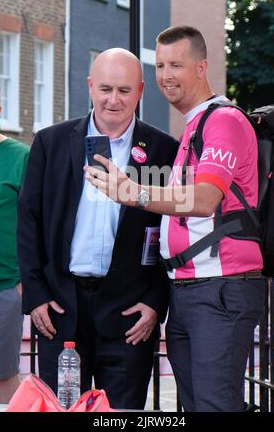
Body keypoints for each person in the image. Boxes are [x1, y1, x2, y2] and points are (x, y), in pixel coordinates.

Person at [85, 26, 266, 412]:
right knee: (196, 406)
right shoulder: (195, 126)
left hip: (220, 290)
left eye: (177, 65)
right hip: (189, 290)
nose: (166, 74)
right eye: (161, 64)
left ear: (201, 68)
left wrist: (133, 193)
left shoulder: (223, 121)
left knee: (214, 405)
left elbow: (203, 199)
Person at [17, 48, 178, 409]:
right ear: (90, 87)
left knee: (120, 416)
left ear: (140, 91)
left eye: (124, 90)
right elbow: (28, 221)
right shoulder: (50, 142)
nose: (113, 100)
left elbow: (173, 231)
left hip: (128, 316)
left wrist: (155, 302)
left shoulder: (164, 150)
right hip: (60, 309)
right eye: (105, 88)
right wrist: (36, 294)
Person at [0, 80, 30, 403]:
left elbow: (35, 224)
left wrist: (21, 285)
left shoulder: (20, 157)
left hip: (2, 287)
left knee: (1, 376)